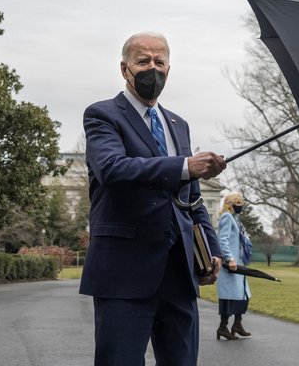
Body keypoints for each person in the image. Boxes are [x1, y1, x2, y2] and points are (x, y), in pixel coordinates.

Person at [79, 31, 227, 365]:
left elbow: (193, 199)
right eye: (143, 60)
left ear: (169, 69)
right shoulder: (103, 115)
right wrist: (185, 166)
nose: (152, 68)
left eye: (160, 61)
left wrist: (212, 248)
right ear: (124, 68)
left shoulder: (179, 124)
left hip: (179, 273)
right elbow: (113, 170)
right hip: (123, 272)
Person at [216, 192, 252, 340]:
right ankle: (223, 327)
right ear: (230, 205)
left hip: (238, 264)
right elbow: (222, 240)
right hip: (230, 265)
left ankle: (237, 324)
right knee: (228, 297)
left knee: (243, 296)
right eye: (238, 203)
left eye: (241, 203)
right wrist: (229, 258)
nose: (241, 206)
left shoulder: (236, 220)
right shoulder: (227, 217)